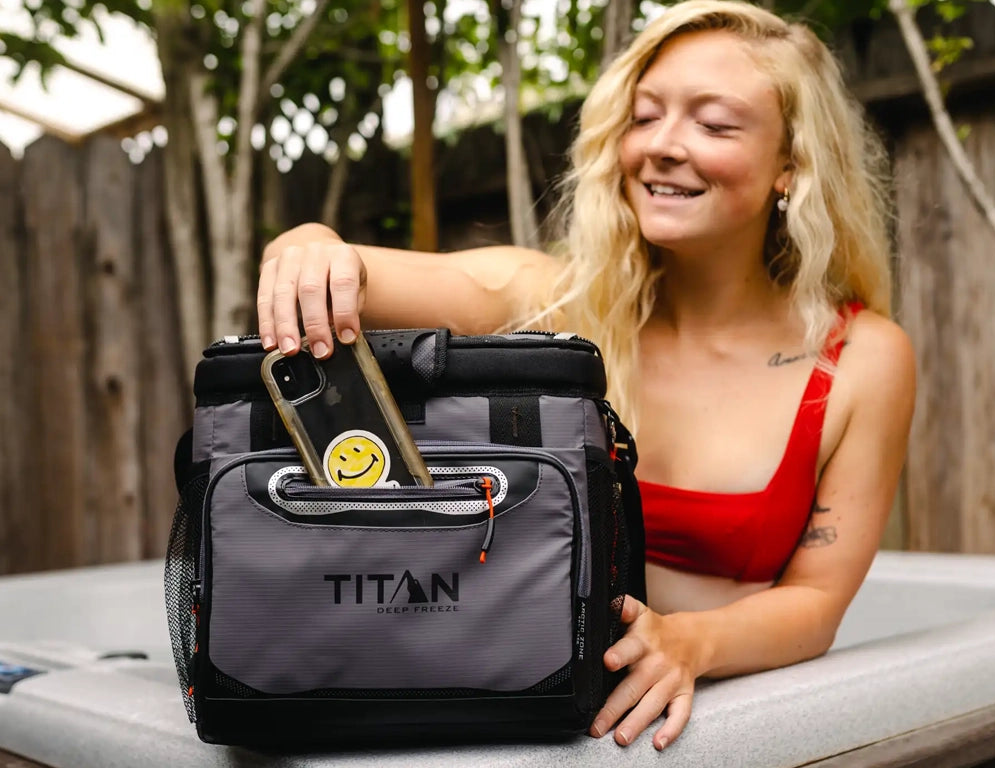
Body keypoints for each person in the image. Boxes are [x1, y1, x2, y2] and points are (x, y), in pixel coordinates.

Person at [256, 0, 916, 752]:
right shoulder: (557, 303)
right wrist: (308, 245)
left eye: (714, 124)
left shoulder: (862, 358)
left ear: (790, 168)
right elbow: (363, 274)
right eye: (645, 116)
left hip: (723, 733)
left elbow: (818, 602)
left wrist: (692, 643)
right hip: (531, 712)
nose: (664, 146)